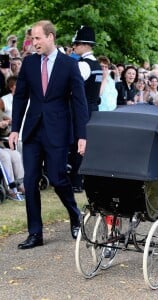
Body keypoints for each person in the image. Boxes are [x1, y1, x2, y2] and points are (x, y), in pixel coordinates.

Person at [8, 20, 89, 250]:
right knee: (31, 180)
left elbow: (79, 102)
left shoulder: (68, 64)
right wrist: (15, 128)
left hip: (58, 131)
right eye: (32, 39)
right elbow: (21, 97)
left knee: (57, 177)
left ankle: (75, 216)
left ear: (50, 37)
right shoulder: (30, 63)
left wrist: (82, 135)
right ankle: (35, 233)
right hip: (33, 131)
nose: (34, 43)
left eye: (37, 38)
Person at [69, 25, 102, 193]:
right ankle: (83, 179)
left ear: (84, 45)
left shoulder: (83, 65)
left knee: (78, 145)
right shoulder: (97, 65)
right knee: (87, 145)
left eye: (76, 44)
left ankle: (76, 181)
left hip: (82, 110)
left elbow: (73, 88)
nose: (74, 47)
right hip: (93, 108)